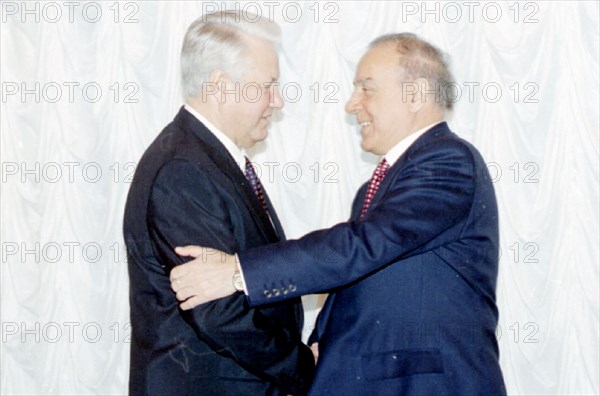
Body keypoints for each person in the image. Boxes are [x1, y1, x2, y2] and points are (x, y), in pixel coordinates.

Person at [171, 33, 506, 395]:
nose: (352, 104)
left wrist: (239, 273)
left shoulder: (447, 162)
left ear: (416, 94)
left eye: (367, 88)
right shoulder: (383, 183)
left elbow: (363, 246)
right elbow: (355, 272)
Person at [123, 11, 315, 396]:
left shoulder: (205, 157)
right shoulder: (183, 170)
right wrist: (303, 366)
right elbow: (217, 312)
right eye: (268, 85)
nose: (277, 101)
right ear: (222, 86)